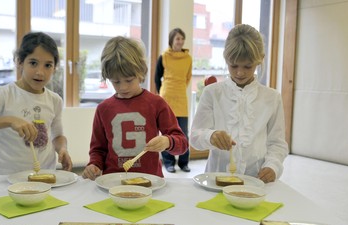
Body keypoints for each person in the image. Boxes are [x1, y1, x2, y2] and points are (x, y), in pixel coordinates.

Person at [0, 32, 72, 175]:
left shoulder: (55, 100)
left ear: (55, 68)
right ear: (19, 62)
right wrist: (9, 120)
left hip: (45, 177)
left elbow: (57, 136)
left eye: (48, 65)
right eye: (33, 63)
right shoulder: (4, 94)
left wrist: (62, 149)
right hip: (7, 179)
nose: (40, 72)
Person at [190, 24, 288, 183]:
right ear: (225, 58)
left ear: (260, 59)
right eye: (233, 65)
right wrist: (211, 136)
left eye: (247, 66)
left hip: (255, 180)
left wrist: (273, 166)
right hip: (216, 180)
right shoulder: (212, 93)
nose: (240, 72)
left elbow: (277, 143)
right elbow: (195, 136)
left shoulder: (272, 98)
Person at [82, 36, 188, 180]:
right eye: (116, 81)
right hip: (113, 182)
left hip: (150, 181)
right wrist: (94, 165)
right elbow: (98, 149)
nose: (123, 87)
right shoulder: (103, 109)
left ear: (141, 72)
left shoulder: (156, 104)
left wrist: (167, 141)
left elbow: (182, 143)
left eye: (129, 80)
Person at [154, 28, 193, 173]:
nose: (180, 41)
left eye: (182, 39)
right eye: (177, 39)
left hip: (181, 96)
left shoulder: (188, 58)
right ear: (171, 40)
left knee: (183, 132)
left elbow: (188, 77)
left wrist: (180, 88)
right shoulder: (164, 56)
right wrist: (161, 93)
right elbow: (156, 77)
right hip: (167, 96)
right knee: (167, 132)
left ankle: (184, 163)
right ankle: (168, 162)